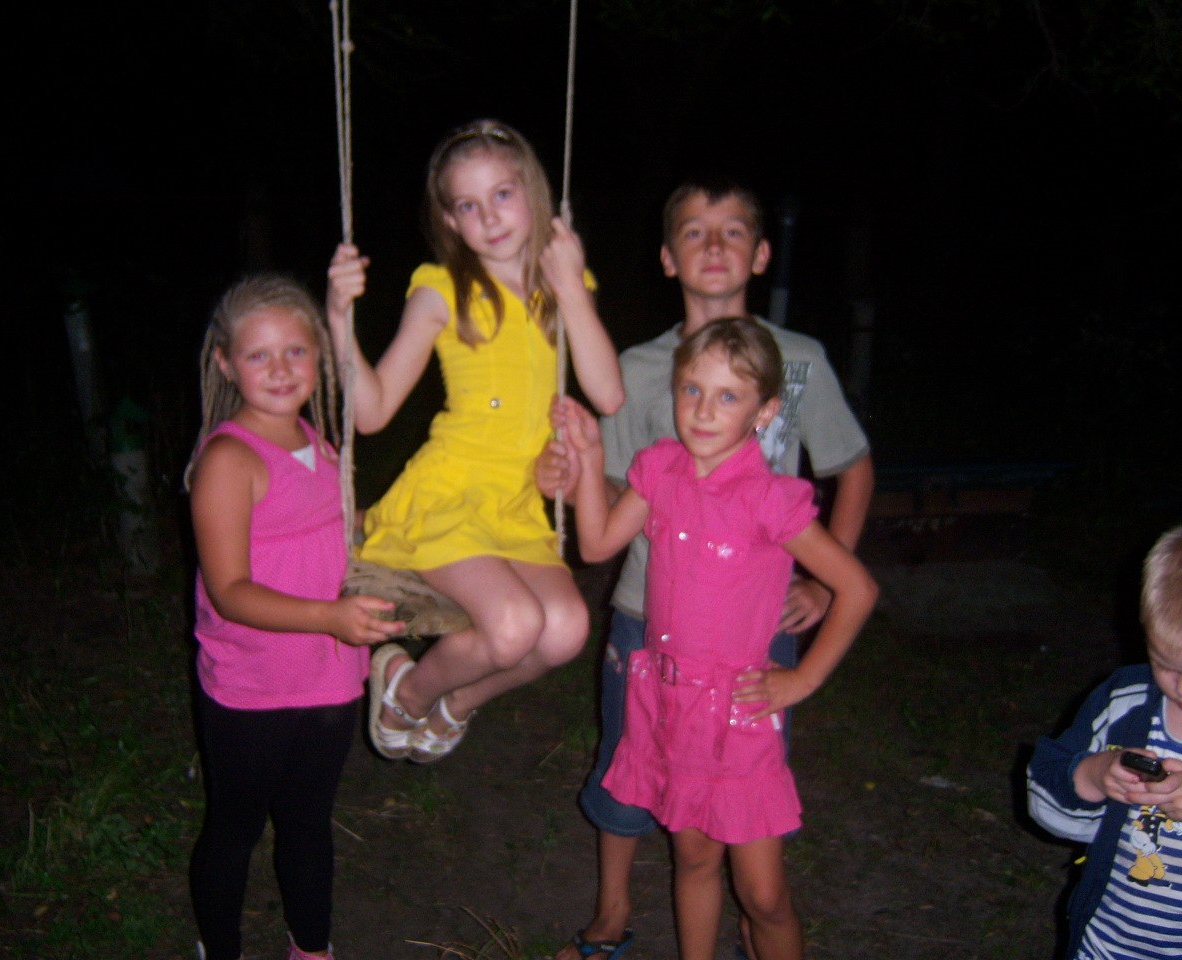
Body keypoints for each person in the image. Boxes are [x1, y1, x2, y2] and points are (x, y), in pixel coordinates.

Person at [539, 178, 874, 960]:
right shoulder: (638, 378)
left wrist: (819, 596)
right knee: (656, 806)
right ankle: (612, 915)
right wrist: (576, 466)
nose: (701, 407)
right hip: (652, 633)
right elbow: (608, 509)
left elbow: (851, 482)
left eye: (732, 232)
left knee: (756, 874)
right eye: (694, 231)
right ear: (667, 257)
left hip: (749, 648)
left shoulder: (795, 370)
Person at [325, 119, 624, 764]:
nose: (489, 217)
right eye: (468, 205)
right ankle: (407, 691)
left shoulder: (564, 291)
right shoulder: (441, 291)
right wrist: (339, 320)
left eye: (503, 194)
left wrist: (571, 285)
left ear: (534, 193)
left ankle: (457, 701)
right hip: (450, 495)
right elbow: (373, 411)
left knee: (566, 632)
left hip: (515, 503)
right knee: (514, 626)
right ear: (451, 221)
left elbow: (607, 395)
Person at [186, 274, 406, 960]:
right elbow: (229, 590)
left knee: (309, 824)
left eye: (296, 351)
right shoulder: (229, 460)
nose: (280, 369)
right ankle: (219, 948)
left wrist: (408, 525)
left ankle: (311, 949)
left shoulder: (318, 440)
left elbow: (334, 530)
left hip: (329, 681)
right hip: (253, 690)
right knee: (235, 830)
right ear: (226, 364)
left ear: (319, 355)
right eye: (259, 355)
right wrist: (330, 617)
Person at [1027, 525, 1182, 960]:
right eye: (1166, 664)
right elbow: (1046, 804)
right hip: (1109, 946)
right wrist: (1093, 776)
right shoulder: (1125, 705)